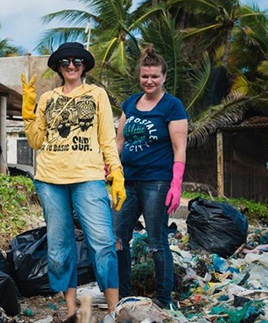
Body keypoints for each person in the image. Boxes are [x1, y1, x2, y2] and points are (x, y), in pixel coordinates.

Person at [21, 42, 126, 322]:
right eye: (65, 62)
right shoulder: (47, 99)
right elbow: (36, 140)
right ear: (57, 66)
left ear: (84, 66)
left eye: (77, 61)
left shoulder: (96, 94)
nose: (71, 66)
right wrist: (28, 111)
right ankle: (71, 309)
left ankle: (114, 311)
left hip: (88, 177)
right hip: (50, 179)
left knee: (102, 243)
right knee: (58, 246)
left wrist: (116, 173)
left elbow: (107, 138)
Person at [113, 44, 189, 310]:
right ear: (139, 76)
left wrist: (176, 184)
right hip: (128, 181)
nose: (149, 81)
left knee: (157, 241)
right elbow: (119, 143)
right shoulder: (130, 103)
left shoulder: (172, 106)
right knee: (118, 238)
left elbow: (180, 148)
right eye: (145, 76)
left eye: (154, 76)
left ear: (164, 77)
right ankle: (123, 297)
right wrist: (111, 172)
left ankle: (162, 300)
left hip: (157, 181)